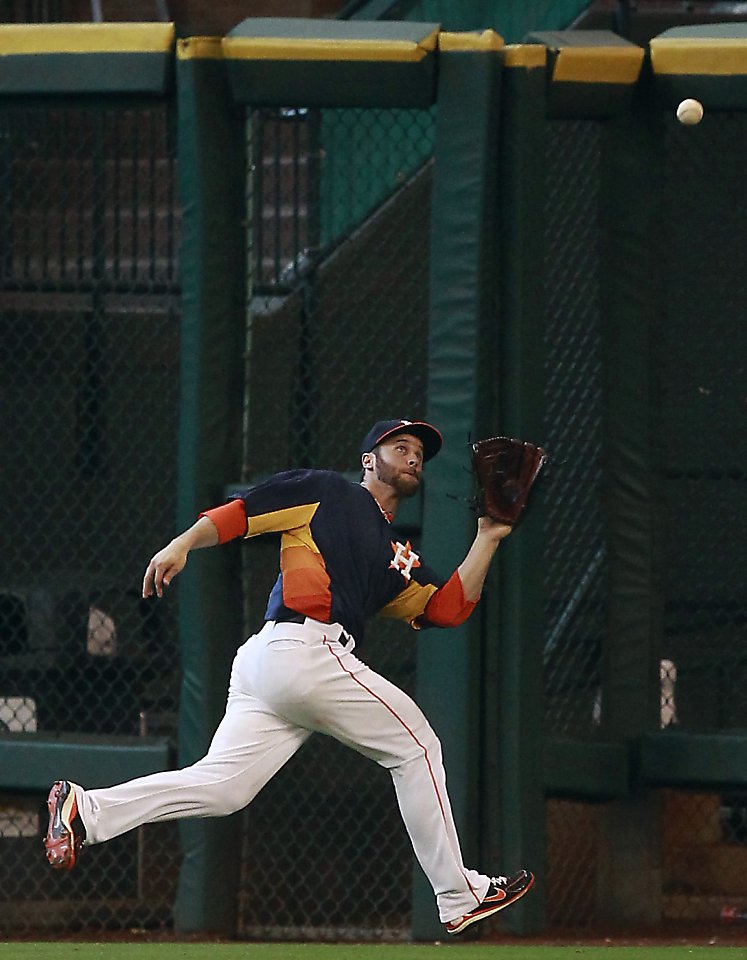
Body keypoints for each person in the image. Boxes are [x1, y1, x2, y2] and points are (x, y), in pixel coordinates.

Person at [44, 418, 534, 935]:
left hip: (273, 665)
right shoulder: (327, 492)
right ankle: (458, 895)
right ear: (369, 459)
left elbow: (447, 609)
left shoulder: (394, 554)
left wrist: (490, 534)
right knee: (416, 748)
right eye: (400, 446)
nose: (413, 457)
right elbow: (244, 512)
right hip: (302, 649)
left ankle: (86, 809)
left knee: (222, 789)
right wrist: (182, 543)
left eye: (419, 453)